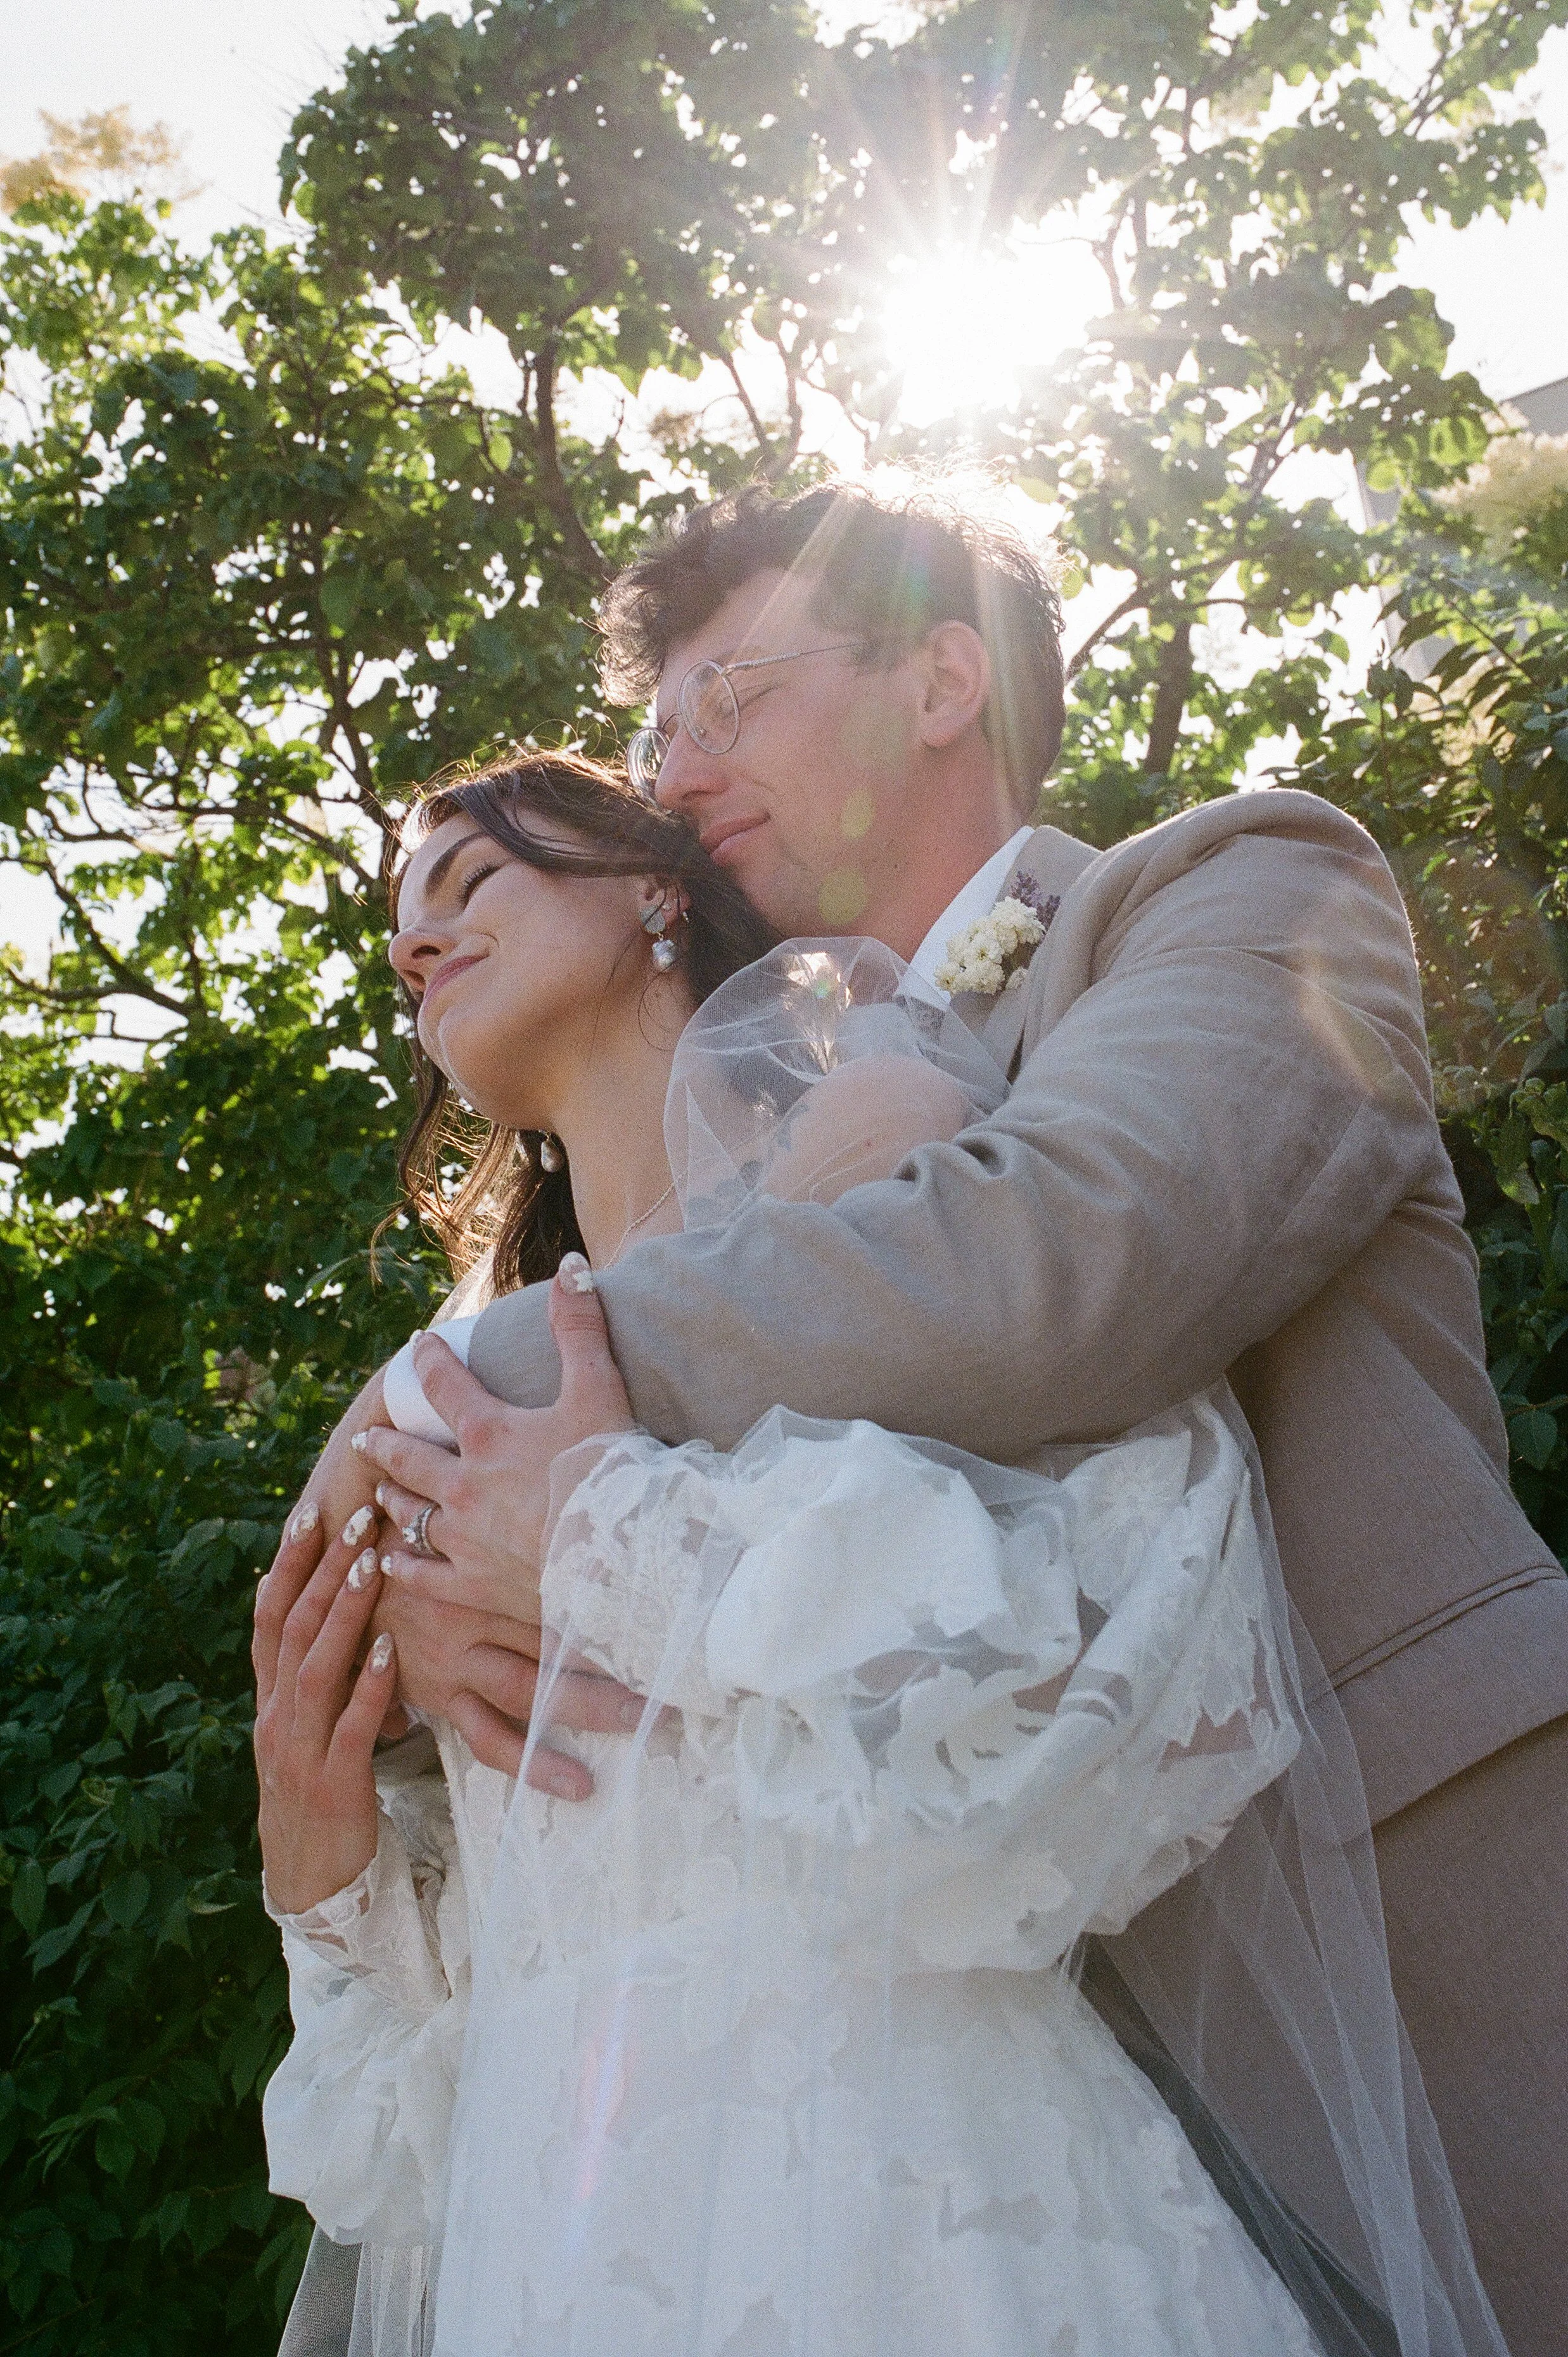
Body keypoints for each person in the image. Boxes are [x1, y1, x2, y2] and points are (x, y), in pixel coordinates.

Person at [274, 478, 1566, 2352]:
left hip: (1402, 1932)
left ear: (945, 676)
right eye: (655, 731)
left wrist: (462, 1404)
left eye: (729, 701)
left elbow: (1065, 1259)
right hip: (930, 2115)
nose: (679, 763)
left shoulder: (1243, 891)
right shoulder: (745, 1129)